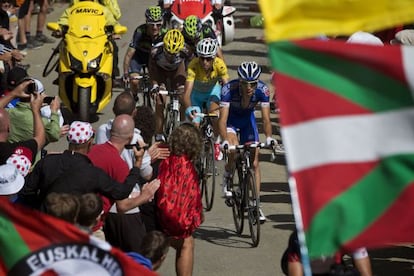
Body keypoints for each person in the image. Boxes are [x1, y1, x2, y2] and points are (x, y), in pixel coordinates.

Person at [17, 120, 148, 214]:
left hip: (43, 223)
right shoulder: (93, 174)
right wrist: (137, 164)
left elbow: (27, 191)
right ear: (90, 143)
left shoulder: (47, 162)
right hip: (70, 230)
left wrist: (40, 208)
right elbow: (122, 192)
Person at [218, 61, 284, 222]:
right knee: (233, 149)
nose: (249, 87)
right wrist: (225, 140)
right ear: (239, 82)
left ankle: (256, 204)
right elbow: (222, 120)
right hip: (231, 122)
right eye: (245, 84)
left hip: (248, 122)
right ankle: (227, 176)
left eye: (253, 84)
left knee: (254, 163)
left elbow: (266, 119)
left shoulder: (263, 90)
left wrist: (269, 137)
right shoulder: (228, 90)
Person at [89, 114, 161, 252]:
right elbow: (122, 206)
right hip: (97, 224)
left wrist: (138, 162)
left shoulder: (94, 150)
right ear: (130, 138)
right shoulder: (119, 165)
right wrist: (145, 196)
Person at [156, 123, 203, 276]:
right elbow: (193, 201)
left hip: (154, 217)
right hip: (176, 223)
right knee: (187, 242)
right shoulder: (190, 170)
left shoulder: (161, 157)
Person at [183, 37, 229, 160]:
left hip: (212, 93)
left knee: (214, 116)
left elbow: (227, 87)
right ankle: (195, 151)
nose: (205, 62)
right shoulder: (193, 65)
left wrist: (226, 105)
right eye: (202, 58)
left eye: (208, 58)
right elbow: (187, 93)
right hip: (196, 95)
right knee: (195, 123)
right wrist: (189, 109)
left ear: (214, 57)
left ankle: (217, 141)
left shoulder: (220, 64)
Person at [149, 28, 190, 139]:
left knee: (184, 97)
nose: (171, 57)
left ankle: (182, 125)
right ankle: (159, 133)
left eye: (174, 54)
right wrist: (155, 85)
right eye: (168, 53)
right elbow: (152, 72)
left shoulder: (186, 51)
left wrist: (188, 86)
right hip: (160, 71)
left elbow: (190, 70)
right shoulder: (155, 51)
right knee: (160, 100)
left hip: (177, 71)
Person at [281, 230, 373, 276]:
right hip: (306, 265)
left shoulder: (350, 229)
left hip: (333, 266)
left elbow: (361, 258)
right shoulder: (300, 237)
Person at [123, 6, 166, 101]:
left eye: (158, 25)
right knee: (134, 81)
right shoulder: (140, 31)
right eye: (152, 25)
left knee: (158, 84)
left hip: (155, 59)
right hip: (139, 57)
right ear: (147, 23)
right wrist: (126, 73)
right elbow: (129, 53)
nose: (155, 28)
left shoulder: (165, 32)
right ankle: (134, 96)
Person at [0, 79, 45, 164]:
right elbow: (40, 139)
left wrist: (13, 94)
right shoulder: (12, 153)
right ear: (8, 128)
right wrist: (35, 110)